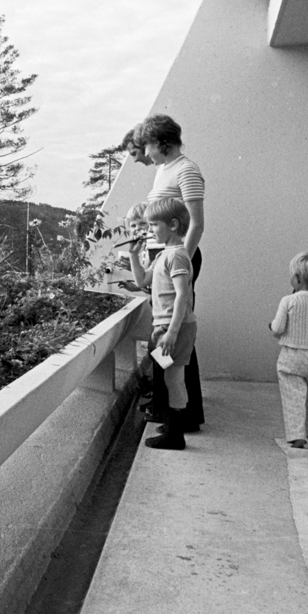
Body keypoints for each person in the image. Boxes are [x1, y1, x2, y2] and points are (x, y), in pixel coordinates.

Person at [136, 114, 206, 432]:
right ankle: (168, 407)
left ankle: (185, 414)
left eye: (147, 145)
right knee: (166, 338)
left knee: (177, 340)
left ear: (162, 142)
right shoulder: (164, 170)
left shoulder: (187, 169)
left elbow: (195, 222)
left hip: (178, 259)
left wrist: (181, 263)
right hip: (165, 258)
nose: (146, 153)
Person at [134, 197, 196, 450]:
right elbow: (142, 281)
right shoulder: (163, 255)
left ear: (172, 224)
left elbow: (183, 295)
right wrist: (132, 254)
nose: (149, 230)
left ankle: (176, 435)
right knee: (167, 377)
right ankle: (172, 426)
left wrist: (171, 332)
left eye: (153, 224)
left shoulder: (178, 257)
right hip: (164, 328)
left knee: (174, 379)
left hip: (175, 328)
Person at [269, 252, 308, 449]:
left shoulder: (288, 300)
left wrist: (271, 327)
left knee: (293, 394)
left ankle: (297, 434)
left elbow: (278, 329)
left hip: (292, 355)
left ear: (298, 278)